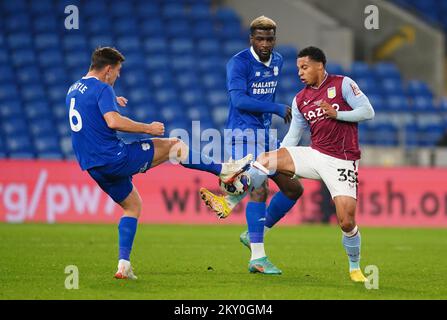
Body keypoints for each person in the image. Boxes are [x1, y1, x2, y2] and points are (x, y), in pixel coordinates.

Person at [66, 47, 252, 280]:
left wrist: (112, 98)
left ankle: (123, 264)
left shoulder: (73, 90)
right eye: (118, 72)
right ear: (108, 69)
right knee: (174, 146)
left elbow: (90, 111)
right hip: (113, 157)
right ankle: (225, 170)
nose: (118, 76)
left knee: (132, 206)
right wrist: (148, 128)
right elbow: (112, 121)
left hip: (93, 167)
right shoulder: (102, 88)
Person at [203, 46, 375, 282]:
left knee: (347, 222)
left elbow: (367, 111)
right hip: (315, 154)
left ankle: (355, 268)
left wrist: (338, 116)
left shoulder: (343, 84)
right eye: (297, 68)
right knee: (266, 158)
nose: (300, 73)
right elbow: (292, 138)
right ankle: (229, 200)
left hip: (342, 161)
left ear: (319, 66)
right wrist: (278, 158)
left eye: (304, 67)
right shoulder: (301, 99)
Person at [200, 16, 304, 275]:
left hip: (266, 136)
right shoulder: (238, 63)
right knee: (259, 187)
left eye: (270, 38)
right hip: (242, 133)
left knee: (293, 189)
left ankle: (242, 217)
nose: (265, 43)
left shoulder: (278, 61)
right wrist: (276, 108)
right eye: (260, 38)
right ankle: (258, 257)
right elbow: (240, 101)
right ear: (251, 39)